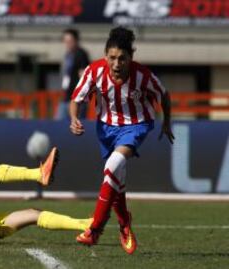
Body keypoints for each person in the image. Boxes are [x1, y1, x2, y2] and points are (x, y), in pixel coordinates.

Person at [69, 27, 174, 254]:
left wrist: (166, 122)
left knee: (113, 166)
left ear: (131, 58)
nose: (117, 64)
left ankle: (94, 229)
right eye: (112, 58)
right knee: (117, 176)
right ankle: (125, 222)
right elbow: (76, 98)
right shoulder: (94, 71)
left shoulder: (142, 76)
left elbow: (163, 95)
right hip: (106, 128)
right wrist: (74, 118)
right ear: (106, 55)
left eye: (122, 59)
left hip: (136, 125)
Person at [56, 29, 90, 120]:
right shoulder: (68, 55)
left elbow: (84, 75)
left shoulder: (81, 54)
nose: (67, 44)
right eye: (65, 41)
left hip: (76, 98)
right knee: (60, 123)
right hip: (66, 96)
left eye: (70, 41)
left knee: (75, 124)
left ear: (76, 41)